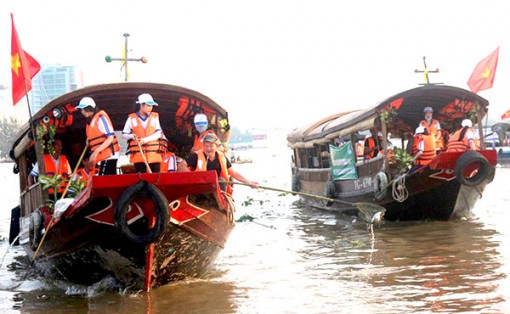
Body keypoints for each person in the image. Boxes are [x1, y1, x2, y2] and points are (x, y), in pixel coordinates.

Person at [186, 133, 258, 194]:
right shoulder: (196, 156)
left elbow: (234, 173)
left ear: (216, 146)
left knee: (221, 180)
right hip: (200, 188)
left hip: (217, 189)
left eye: (211, 146)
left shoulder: (222, 157)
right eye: (206, 146)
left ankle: (219, 201)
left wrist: (249, 182)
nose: (208, 149)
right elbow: (183, 165)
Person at [76, 97, 120, 175]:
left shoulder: (101, 118)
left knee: (104, 179)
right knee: (104, 179)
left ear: (89, 108)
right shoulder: (91, 120)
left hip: (109, 155)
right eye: (81, 110)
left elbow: (110, 137)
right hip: (103, 155)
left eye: (83, 109)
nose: (82, 112)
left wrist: (96, 151)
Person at [122, 93, 163, 173]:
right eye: (148, 105)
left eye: (151, 106)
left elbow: (159, 133)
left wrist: (145, 140)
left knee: (156, 177)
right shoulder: (132, 118)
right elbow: (124, 134)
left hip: (153, 154)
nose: (150, 108)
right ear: (141, 105)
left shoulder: (154, 117)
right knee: (141, 177)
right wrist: (132, 136)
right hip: (139, 155)